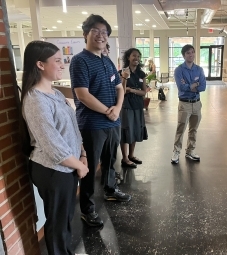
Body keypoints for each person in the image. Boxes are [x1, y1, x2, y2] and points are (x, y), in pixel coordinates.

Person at [20, 40, 89, 255]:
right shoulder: (35, 100)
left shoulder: (56, 94)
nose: (62, 65)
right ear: (40, 64)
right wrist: (79, 164)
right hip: (52, 170)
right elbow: (51, 144)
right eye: (57, 61)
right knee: (57, 223)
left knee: (65, 218)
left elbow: (73, 128)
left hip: (68, 166)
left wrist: (83, 153)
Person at [69, 14, 131, 228]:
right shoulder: (79, 61)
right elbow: (82, 95)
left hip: (112, 122)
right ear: (86, 33)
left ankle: (111, 190)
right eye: (96, 30)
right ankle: (87, 209)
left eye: (104, 32)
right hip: (92, 125)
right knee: (89, 167)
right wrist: (108, 111)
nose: (101, 35)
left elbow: (119, 88)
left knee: (110, 160)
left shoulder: (107, 61)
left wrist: (117, 109)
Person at [170, 44, 206, 164]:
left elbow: (203, 86)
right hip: (184, 104)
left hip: (196, 104)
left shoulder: (199, 69)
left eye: (192, 52)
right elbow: (181, 87)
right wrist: (194, 84)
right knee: (181, 129)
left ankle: (190, 151)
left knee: (193, 129)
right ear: (184, 55)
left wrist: (190, 86)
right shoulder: (179, 70)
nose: (191, 55)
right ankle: (176, 152)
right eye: (188, 53)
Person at [119, 48, 148, 168]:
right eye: (134, 56)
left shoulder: (141, 74)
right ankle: (124, 158)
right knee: (126, 130)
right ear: (128, 58)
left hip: (137, 106)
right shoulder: (122, 72)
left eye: (138, 56)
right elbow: (122, 91)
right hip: (126, 106)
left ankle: (131, 155)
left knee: (135, 130)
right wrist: (125, 80)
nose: (136, 58)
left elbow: (144, 92)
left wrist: (132, 90)